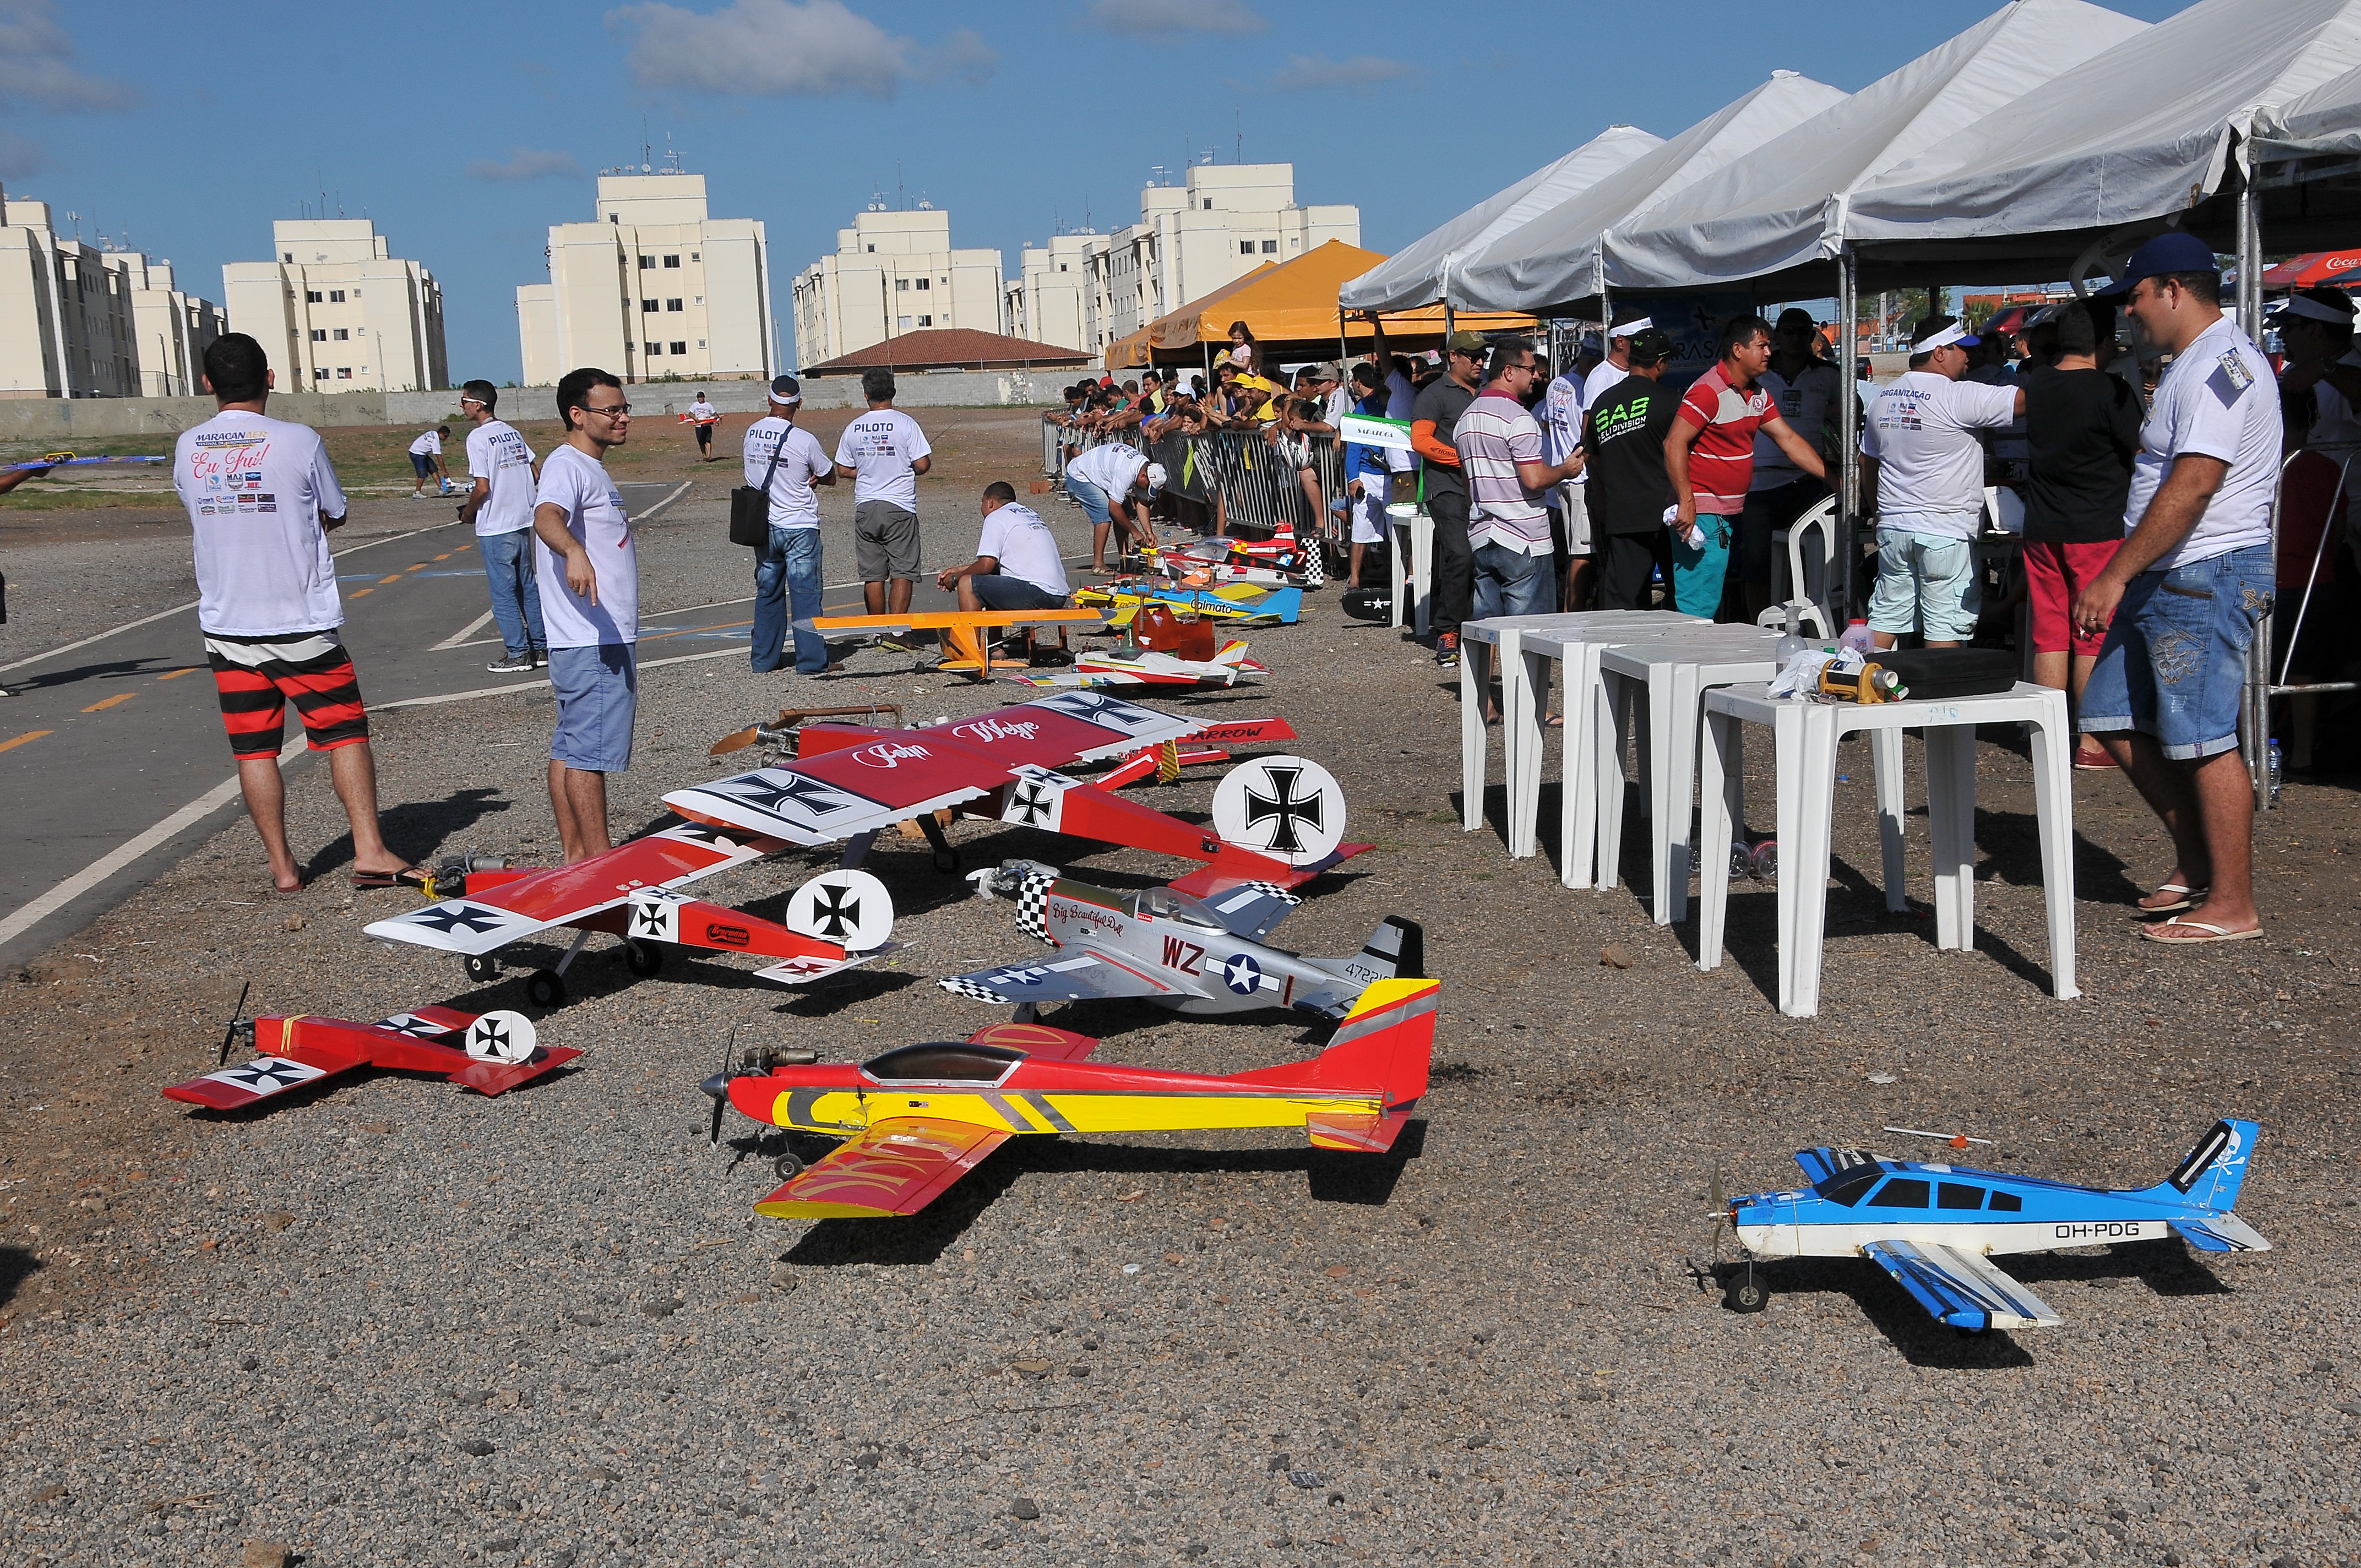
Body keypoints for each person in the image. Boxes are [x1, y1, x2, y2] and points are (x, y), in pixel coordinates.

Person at [2071, 231, 2281, 944]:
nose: (2128, 313)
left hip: (2206, 569)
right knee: (2110, 714)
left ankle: (2233, 902)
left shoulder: (2221, 365)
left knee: (2203, 737)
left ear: (2172, 290)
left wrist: (2114, 573)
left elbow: (2194, 486)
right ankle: (2199, 865)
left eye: (2133, 297)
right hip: (2175, 571)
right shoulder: (2195, 364)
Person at [171, 333, 421, 894]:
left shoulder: (189, 446)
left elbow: (200, 510)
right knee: (345, 734)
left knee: (254, 747)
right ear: (271, 378)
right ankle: (369, 849)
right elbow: (335, 510)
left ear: (207, 383)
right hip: (299, 617)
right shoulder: (298, 440)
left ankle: (283, 867)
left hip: (228, 622)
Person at [2019, 301, 2141, 769]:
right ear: (2106, 343)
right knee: (2093, 632)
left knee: (2050, 634)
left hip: (2043, 525)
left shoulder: (2039, 384)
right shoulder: (2111, 390)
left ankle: (2046, 739)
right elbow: (2143, 448)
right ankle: (2093, 741)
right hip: (2097, 525)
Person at [1858, 315, 2024, 649]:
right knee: (1945, 629)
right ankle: (1942, 700)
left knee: (1886, 618)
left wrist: (1879, 511)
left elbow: (1867, 461)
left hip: (1894, 530)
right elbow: (2023, 402)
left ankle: (1860, 689)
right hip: (1945, 533)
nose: (1968, 356)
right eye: (1961, 349)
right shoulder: (1957, 396)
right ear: (1939, 352)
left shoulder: (1883, 398)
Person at [532, 367, 640, 864]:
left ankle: (578, 857)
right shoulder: (567, 465)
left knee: (573, 747)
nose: (622, 418)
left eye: (624, 408)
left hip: (593, 634)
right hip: (589, 637)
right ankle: (601, 862)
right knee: (588, 754)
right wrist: (574, 552)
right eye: (611, 410)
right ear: (577, 414)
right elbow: (546, 516)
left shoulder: (588, 466)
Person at [1666, 316, 1828, 619]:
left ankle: (1698, 656)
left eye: (1769, 345)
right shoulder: (1708, 391)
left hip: (1727, 514)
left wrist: (1832, 476)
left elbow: (1789, 439)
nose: (1769, 352)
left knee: (1709, 598)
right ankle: (1687, 660)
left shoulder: (1758, 394)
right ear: (1738, 350)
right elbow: (1674, 443)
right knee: (1697, 605)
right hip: (1702, 513)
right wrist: (1686, 502)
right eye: (1762, 346)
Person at [1454, 336, 1584, 714]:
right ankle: (1531, 706)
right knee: (1530, 630)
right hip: (1523, 534)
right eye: (1530, 370)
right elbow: (1533, 479)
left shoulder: (1467, 419)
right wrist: (1566, 469)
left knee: (1485, 625)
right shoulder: (1519, 418)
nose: (1536, 377)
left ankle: (1484, 702)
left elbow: (1468, 483)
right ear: (1509, 371)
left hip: (1483, 529)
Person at [1737, 308, 1840, 621]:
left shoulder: (1829, 375)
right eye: (1788, 331)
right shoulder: (1757, 375)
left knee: (1814, 562)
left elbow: (1850, 412)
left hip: (1807, 481)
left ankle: (1809, 624)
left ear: (1812, 337)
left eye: (1802, 332)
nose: (1795, 338)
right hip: (1759, 483)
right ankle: (1760, 626)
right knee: (1756, 565)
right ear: (1778, 337)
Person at [744, 374, 837, 678]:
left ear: (769, 399)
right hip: (800, 525)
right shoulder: (804, 439)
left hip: (764, 524)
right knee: (805, 594)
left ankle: (764, 659)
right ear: (799, 403)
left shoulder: (752, 433)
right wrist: (813, 477)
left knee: (768, 592)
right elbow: (829, 475)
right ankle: (811, 662)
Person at [1582, 328, 1681, 612]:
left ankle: (1620, 653)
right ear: (1660, 363)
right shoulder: (1670, 402)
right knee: (1680, 598)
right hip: (1666, 513)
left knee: (1623, 604)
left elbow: (1593, 458)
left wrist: (1601, 498)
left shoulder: (1603, 403)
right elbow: (1683, 453)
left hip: (1621, 514)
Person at [835, 368, 933, 638]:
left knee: (873, 574)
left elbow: (843, 469)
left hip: (866, 505)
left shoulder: (854, 427)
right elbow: (922, 464)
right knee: (903, 569)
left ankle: (878, 629)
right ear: (893, 392)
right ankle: (897, 632)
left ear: (866, 395)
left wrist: (866, 470)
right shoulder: (906, 423)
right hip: (899, 505)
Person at [457, 380, 546, 674]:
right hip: (522, 519)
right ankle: (541, 645)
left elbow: (482, 487)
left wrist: (469, 513)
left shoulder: (478, 438)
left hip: (496, 524)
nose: (462, 406)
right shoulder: (512, 432)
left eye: (465, 401)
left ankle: (518, 653)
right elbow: (535, 470)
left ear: (478, 404)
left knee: (503, 592)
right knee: (528, 586)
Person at [1411, 329, 1487, 667]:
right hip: (1447, 488)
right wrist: (1462, 457)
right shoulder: (1434, 393)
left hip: (1487, 490)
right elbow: (1421, 441)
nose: (1479, 361)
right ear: (1452, 356)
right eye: (1472, 355)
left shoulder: (1488, 393)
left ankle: (1484, 626)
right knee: (1460, 555)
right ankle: (1447, 631)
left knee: (1488, 557)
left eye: (1482, 355)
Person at [937, 482, 1072, 658]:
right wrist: (958, 569)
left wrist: (956, 578)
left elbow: (985, 565)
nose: (982, 508)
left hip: (1038, 592)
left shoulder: (996, 517)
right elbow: (995, 565)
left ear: (990, 502)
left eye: (982, 502)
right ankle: (995, 647)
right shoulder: (1027, 513)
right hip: (1058, 593)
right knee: (993, 580)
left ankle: (969, 651)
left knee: (968, 584)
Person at [1536, 346, 1593, 611]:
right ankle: (1574, 614)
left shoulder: (1558, 384)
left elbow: (1546, 423)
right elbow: (1588, 429)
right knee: (1583, 554)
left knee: (1573, 551)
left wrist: (1561, 447)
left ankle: (1569, 610)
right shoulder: (1585, 389)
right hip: (1579, 475)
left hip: (1563, 474)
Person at [1062, 440, 1165, 569]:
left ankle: (1125, 560)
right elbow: (1114, 508)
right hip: (1078, 476)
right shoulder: (1125, 472)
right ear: (1144, 476)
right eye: (1148, 486)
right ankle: (1098, 564)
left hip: (1096, 473)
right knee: (1105, 511)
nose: (1146, 489)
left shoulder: (1143, 466)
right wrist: (1135, 532)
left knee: (1124, 513)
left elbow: (1142, 503)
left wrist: (1149, 532)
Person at [1340, 363, 1396, 590]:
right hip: (1368, 473)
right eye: (1378, 377)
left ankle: (1401, 577)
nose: (1380, 381)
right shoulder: (1363, 406)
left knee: (1397, 530)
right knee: (1361, 528)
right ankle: (1355, 578)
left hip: (1396, 475)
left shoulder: (1402, 402)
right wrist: (1353, 477)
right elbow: (1353, 444)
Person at [1583, 313, 1652, 410]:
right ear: (1620, 342)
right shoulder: (1601, 377)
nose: (1645, 346)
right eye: (1638, 341)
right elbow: (1589, 422)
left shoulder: (1640, 372)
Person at [407, 424, 450, 497]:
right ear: (440, 434)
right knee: (422, 473)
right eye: (445, 436)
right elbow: (439, 458)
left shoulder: (433, 432)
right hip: (417, 453)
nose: (446, 438)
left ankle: (441, 489)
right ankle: (417, 493)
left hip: (422, 453)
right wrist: (445, 471)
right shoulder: (435, 441)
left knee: (433, 469)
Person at [687, 390, 719, 461]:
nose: (699, 399)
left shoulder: (708, 405)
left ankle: (709, 456)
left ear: (704, 397)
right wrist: (695, 418)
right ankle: (704, 456)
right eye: (698, 397)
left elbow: (714, 413)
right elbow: (690, 414)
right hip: (699, 426)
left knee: (708, 440)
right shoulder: (695, 405)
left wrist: (718, 419)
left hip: (707, 425)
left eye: (701, 397)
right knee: (701, 442)